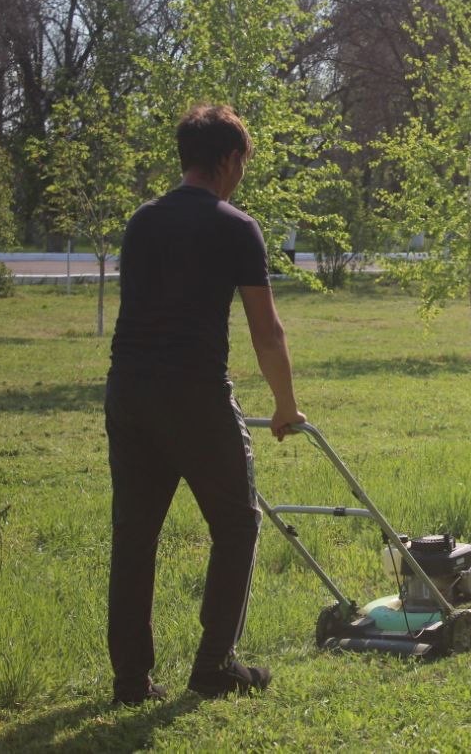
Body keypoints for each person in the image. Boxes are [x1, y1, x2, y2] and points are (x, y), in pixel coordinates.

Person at [105, 104, 305, 705]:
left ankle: (130, 681)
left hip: (128, 392)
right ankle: (215, 665)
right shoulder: (235, 226)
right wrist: (285, 405)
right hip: (194, 393)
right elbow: (266, 331)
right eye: (243, 161)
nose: (242, 172)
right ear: (228, 159)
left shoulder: (142, 221)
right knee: (238, 524)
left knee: (134, 535)